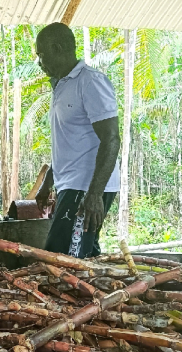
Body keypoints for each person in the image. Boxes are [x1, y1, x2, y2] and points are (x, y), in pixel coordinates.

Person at [34, 23, 120, 259]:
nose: (40, 63)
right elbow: (70, 142)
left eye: (41, 55)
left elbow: (111, 138)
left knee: (60, 260)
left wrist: (93, 195)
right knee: (84, 256)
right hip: (70, 185)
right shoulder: (62, 86)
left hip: (85, 187)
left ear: (57, 48)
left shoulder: (90, 82)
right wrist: (49, 181)